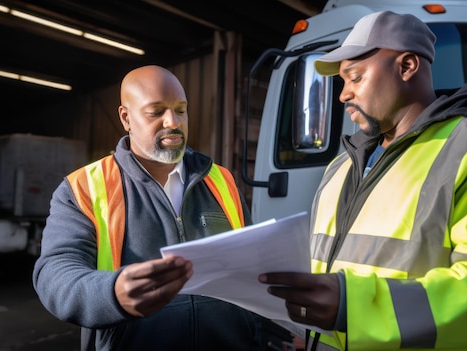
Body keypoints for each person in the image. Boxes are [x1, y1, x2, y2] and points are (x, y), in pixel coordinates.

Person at [258, 11, 467, 351]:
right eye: (342, 82)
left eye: (355, 77)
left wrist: (355, 306)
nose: (343, 95)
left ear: (407, 67)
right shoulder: (341, 168)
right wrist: (309, 334)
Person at [33, 65, 293, 350]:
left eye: (181, 110)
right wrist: (113, 293)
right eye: (156, 112)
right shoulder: (84, 188)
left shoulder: (222, 180)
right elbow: (55, 273)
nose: (173, 121)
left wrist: (280, 333)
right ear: (126, 118)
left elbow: (249, 273)